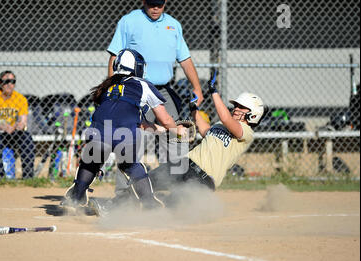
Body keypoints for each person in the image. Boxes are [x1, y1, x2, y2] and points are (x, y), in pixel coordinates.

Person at [113, 70, 269, 208]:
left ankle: (152, 211)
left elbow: (227, 118)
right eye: (236, 105)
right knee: (146, 182)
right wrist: (194, 108)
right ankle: (118, 207)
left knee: (174, 205)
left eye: (241, 107)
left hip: (203, 181)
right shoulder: (222, 124)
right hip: (185, 164)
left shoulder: (246, 133)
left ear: (253, 114)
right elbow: (206, 130)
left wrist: (214, 92)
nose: (236, 108)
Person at [60, 49, 185, 212]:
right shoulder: (143, 85)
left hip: (97, 132)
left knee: (91, 162)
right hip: (123, 134)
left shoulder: (107, 85)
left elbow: (131, 120)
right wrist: (177, 130)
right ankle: (149, 204)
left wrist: (160, 130)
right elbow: (166, 119)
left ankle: (75, 198)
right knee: (131, 164)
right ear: (136, 68)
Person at [107, 0, 204, 201]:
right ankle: (123, 196)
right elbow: (114, 57)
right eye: (151, 3)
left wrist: (196, 87)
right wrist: (112, 87)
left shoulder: (173, 25)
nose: (155, 8)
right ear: (144, 2)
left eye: (159, 3)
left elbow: (185, 59)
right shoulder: (129, 21)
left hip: (162, 91)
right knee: (130, 139)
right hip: (135, 89)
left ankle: (178, 191)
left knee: (177, 138)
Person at [0, 70, 35, 180]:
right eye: (6, 81)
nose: (10, 84)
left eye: (13, 81)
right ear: (0, 83)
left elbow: (23, 122)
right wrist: (3, 126)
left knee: (27, 139)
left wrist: (17, 126)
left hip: (12, 132)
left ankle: (28, 177)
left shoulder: (20, 99)